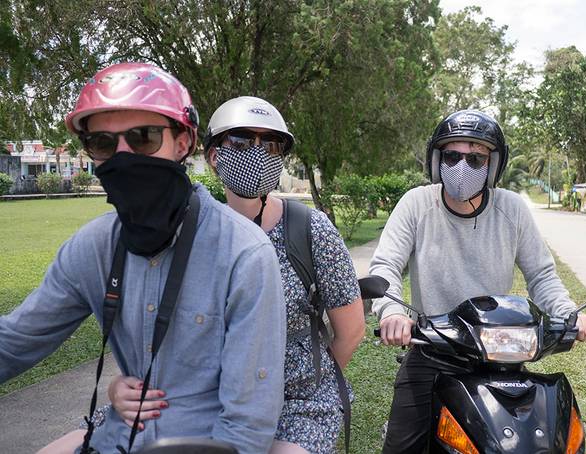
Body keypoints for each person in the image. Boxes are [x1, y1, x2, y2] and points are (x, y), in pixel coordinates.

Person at [0, 63, 286, 454]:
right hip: (115, 439)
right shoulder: (92, 248)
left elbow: (246, 424)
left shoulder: (244, 255)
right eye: (102, 143)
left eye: (144, 137)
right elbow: (15, 341)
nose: (123, 156)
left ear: (183, 142)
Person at [73, 96, 366, 454]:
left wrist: (309, 381)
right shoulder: (185, 232)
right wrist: (121, 385)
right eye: (242, 141)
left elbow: (351, 331)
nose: (258, 153)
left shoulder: (310, 229)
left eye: (270, 144)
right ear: (213, 158)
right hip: (203, 399)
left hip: (296, 404)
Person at [369, 110, 586, 453]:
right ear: (438, 161)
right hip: (431, 349)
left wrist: (570, 314)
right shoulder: (417, 204)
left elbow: (541, 274)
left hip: (500, 354)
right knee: (401, 447)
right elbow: (386, 265)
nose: (463, 166)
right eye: (452, 155)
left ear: (493, 165)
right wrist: (390, 312)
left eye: (476, 157)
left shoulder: (512, 209)